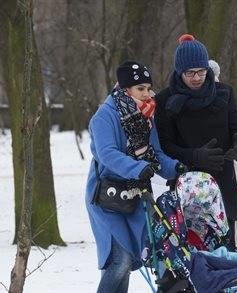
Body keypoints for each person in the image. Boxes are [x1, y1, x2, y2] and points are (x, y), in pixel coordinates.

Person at [85, 60, 187, 293]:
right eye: (140, 88)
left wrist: (176, 168)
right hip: (106, 197)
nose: (147, 93)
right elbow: (107, 154)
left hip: (134, 195)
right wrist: (137, 168)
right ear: (125, 89)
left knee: (129, 260)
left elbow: (156, 154)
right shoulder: (104, 116)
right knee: (119, 262)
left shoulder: (145, 116)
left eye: (148, 88)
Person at [155, 34, 237, 251]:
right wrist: (195, 156)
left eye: (201, 71)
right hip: (188, 188)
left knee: (228, 254)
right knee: (190, 256)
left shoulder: (224, 93)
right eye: (190, 73)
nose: (197, 77)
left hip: (223, 182)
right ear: (180, 72)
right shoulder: (165, 101)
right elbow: (165, 146)